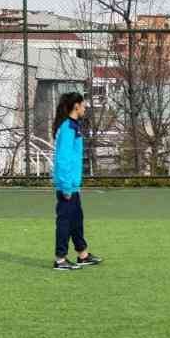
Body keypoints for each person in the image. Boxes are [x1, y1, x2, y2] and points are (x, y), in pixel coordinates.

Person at [51, 91, 102, 271]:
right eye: (83, 104)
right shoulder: (68, 128)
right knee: (65, 222)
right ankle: (60, 259)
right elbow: (63, 159)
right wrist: (66, 186)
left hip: (72, 185)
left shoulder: (74, 126)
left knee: (76, 220)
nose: (85, 107)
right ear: (76, 106)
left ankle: (83, 255)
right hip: (67, 185)